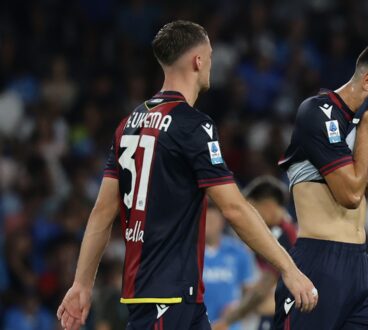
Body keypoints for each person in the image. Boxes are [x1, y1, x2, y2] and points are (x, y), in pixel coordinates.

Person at [56, 20, 317, 330]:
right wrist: (288, 267)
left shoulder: (129, 123)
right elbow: (233, 207)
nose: (211, 62)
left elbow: (102, 212)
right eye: (210, 55)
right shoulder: (193, 125)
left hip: (177, 299)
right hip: (167, 300)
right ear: (198, 60)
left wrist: (82, 285)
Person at [276, 40, 368, 329]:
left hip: (359, 265)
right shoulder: (316, 112)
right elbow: (351, 195)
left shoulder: (363, 126)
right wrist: (366, 132)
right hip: (319, 261)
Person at [213, 176, 297, 330]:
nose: (249, 219)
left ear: (269, 206)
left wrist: (230, 319)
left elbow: (263, 289)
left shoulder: (283, 235)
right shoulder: (282, 231)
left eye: (253, 209)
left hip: (280, 318)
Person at [203, 202, 256, 330]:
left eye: (213, 220)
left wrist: (238, 308)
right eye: (206, 220)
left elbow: (250, 292)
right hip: (198, 324)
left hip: (229, 326)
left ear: (222, 222)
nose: (209, 225)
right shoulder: (189, 253)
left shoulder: (239, 252)